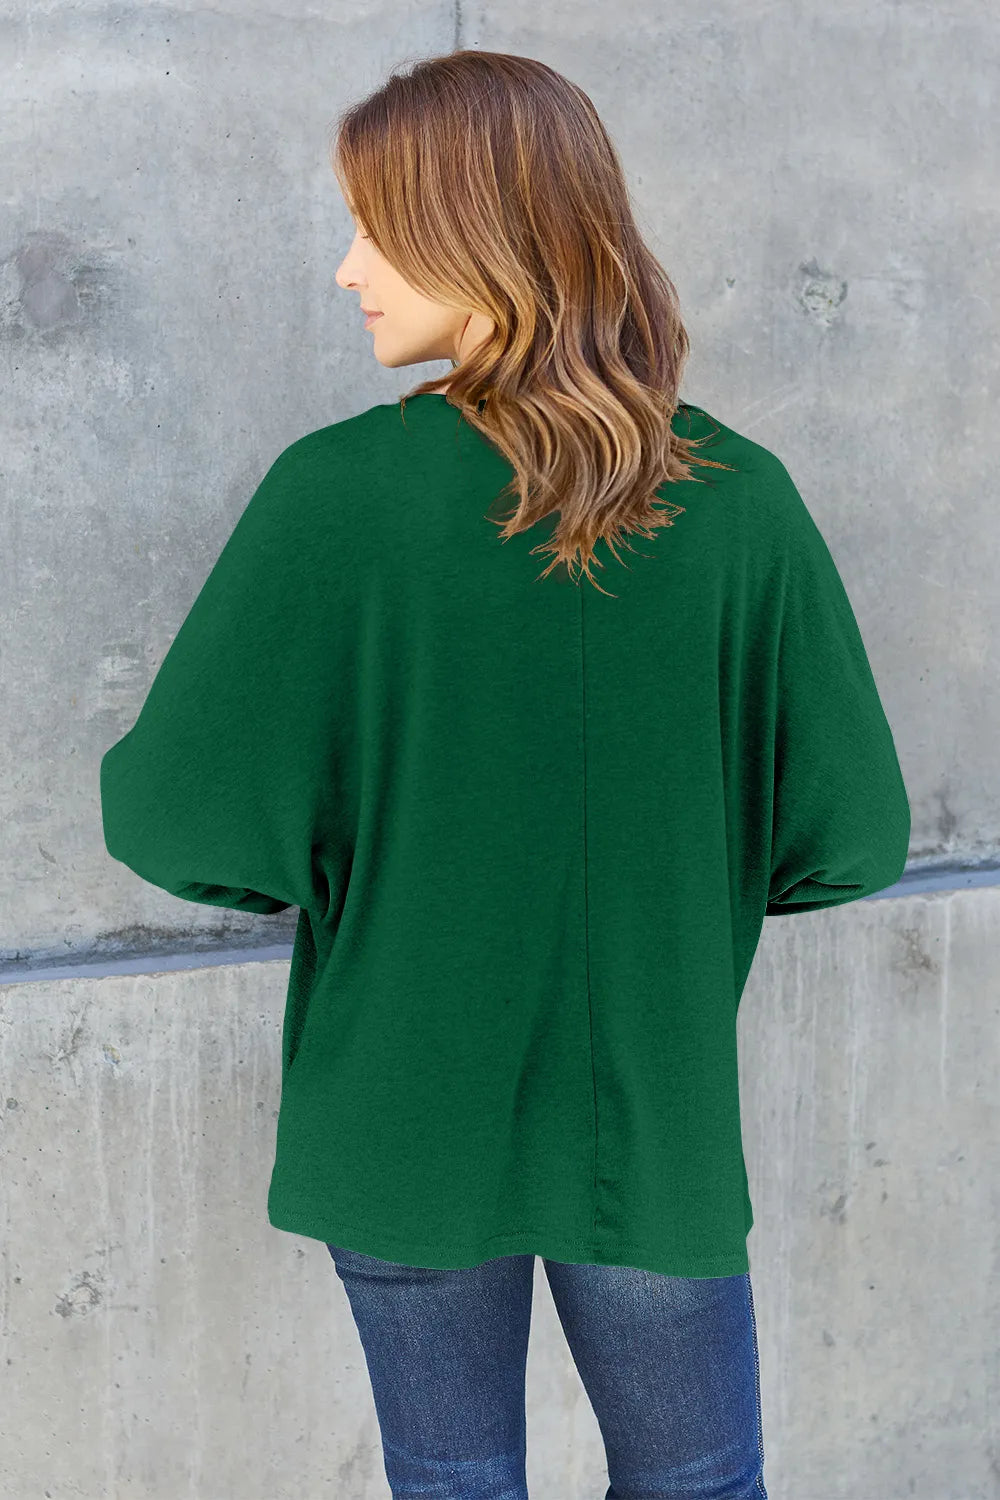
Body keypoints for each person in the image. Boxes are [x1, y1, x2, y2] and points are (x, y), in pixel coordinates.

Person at [100, 49, 911, 1500]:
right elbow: (848, 834)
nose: (348, 269)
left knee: (452, 1486)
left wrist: (352, 860)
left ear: (475, 234)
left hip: (404, 1112)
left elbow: (175, 817)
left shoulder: (336, 496)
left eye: (376, 227)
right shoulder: (740, 504)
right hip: (649, 1119)